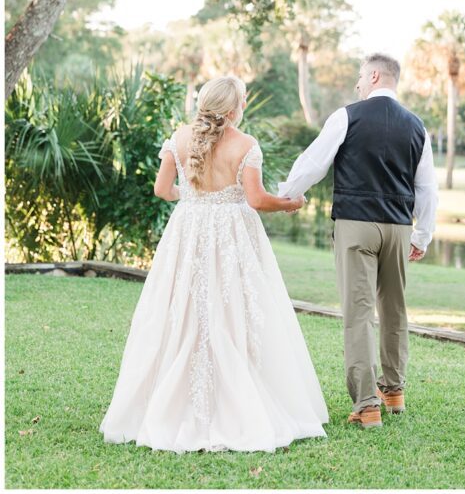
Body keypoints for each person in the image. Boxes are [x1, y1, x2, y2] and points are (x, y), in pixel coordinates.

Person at [100, 76, 328, 452]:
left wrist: (188, 198)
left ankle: (167, 402)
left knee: (182, 311)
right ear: (234, 108)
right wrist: (290, 203)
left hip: (187, 234)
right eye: (242, 101)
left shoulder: (178, 138)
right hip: (231, 237)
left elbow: (161, 190)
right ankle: (236, 398)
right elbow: (256, 200)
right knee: (234, 309)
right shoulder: (245, 146)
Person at [278, 53, 438, 429]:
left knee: (358, 314)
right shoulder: (417, 126)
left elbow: (314, 163)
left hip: (356, 224)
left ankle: (367, 405)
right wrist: (423, 235)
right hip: (398, 228)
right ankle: (394, 391)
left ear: (376, 75)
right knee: (395, 310)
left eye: (361, 77)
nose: (357, 85)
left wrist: (288, 194)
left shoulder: (347, 116)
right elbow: (427, 187)